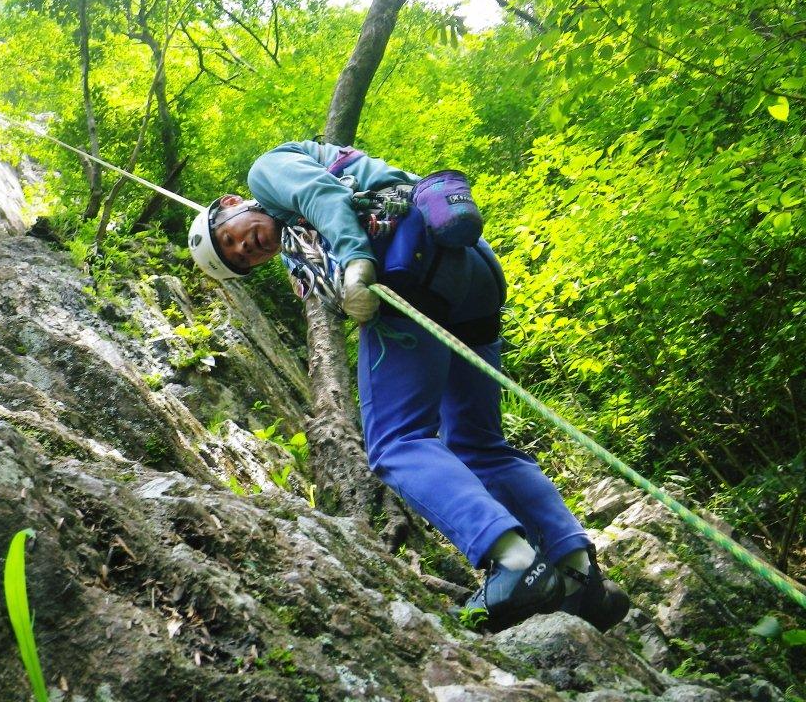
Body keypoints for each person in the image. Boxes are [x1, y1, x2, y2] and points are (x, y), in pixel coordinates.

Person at [188, 140, 629, 633]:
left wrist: (356, 261)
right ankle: (579, 577)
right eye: (239, 261)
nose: (243, 250)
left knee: (397, 443)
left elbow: (320, 194)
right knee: (479, 444)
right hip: (469, 274)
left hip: (409, 270)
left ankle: (514, 562)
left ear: (231, 205)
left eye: (228, 239)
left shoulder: (266, 170)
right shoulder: (297, 248)